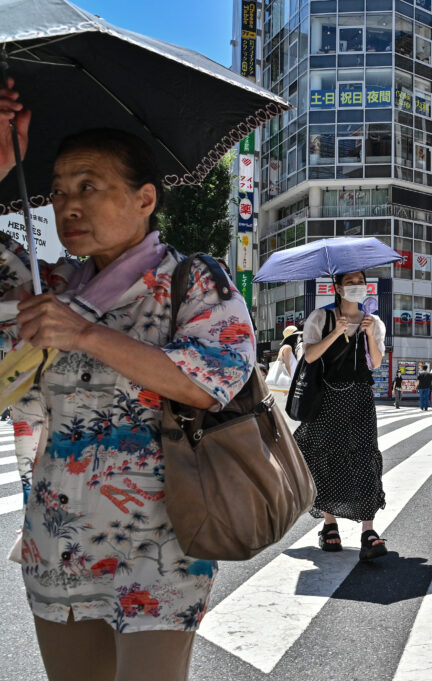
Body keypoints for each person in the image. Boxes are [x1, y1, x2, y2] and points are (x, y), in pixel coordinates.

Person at [0, 111, 255, 679]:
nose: (68, 204)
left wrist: (85, 333)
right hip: (57, 541)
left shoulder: (194, 279)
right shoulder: (51, 288)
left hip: (161, 546)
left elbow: (209, 381)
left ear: (145, 199)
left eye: (89, 186)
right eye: (59, 189)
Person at [294, 270, 389, 560]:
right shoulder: (320, 318)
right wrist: (336, 332)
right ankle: (329, 524)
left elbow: (375, 363)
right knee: (326, 457)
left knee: (364, 456)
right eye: (350, 283)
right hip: (325, 399)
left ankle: (368, 530)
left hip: (360, 397)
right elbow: (308, 356)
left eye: (360, 283)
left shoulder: (373, 322)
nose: (357, 288)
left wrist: (370, 334)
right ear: (337, 287)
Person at [265, 325, 301, 390]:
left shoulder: (285, 348)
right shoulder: (288, 348)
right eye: (297, 335)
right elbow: (287, 367)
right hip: (288, 385)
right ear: (293, 337)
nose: (298, 338)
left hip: (287, 384)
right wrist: (290, 383)